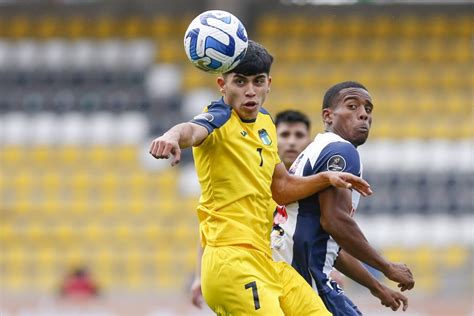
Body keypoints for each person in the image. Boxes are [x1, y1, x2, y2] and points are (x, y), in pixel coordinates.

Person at [150, 40, 372, 315]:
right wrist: (171, 135)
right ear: (222, 85)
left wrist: (327, 177)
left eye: (258, 82)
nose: (250, 91)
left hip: (265, 260)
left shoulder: (266, 123)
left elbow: (281, 186)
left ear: (269, 83)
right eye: (240, 82)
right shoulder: (218, 118)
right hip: (232, 262)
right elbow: (191, 130)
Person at [272, 81, 415, 315]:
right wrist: (387, 267)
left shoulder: (314, 149)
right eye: (352, 106)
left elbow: (329, 244)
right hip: (305, 278)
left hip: (291, 273)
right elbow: (335, 221)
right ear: (328, 116)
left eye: (368, 109)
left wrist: (377, 287)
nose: (363, 115)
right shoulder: (342, 150)